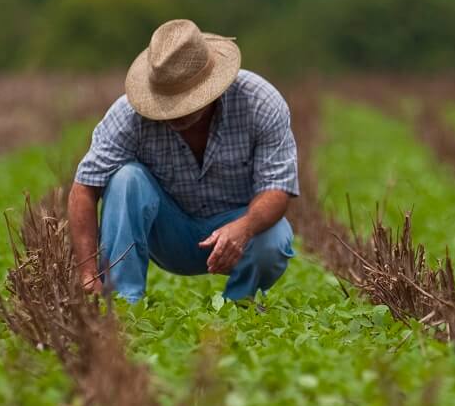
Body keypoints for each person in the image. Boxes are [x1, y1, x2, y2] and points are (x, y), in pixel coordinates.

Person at [69, 19, 298, 302]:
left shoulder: (260, 102)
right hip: (168, 234)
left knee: (273, 237)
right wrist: (87, 273)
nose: (176, 113)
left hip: (237, 227)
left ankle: (240, 306)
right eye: (168, 101)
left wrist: (245, 226)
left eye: (186, 100)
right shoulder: (128, 115)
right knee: (126, 179)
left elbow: (277, 188)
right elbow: (83, 188)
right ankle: (122, 303)